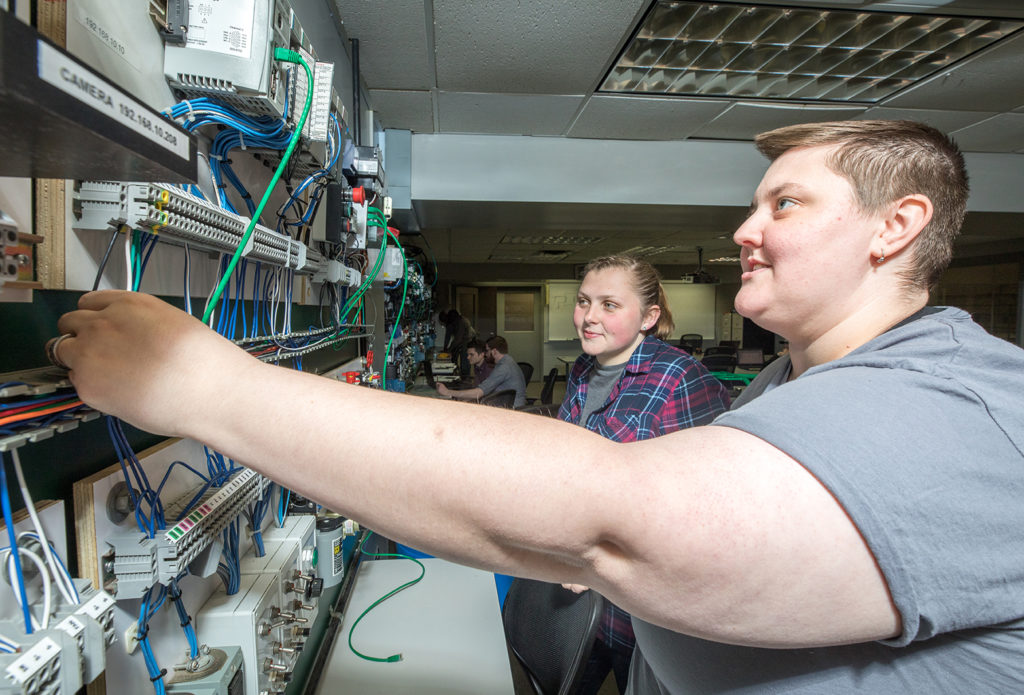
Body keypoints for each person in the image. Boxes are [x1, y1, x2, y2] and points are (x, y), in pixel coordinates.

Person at [53, 120, 1024, 693]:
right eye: (753, 204)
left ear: (897, 228)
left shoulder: (951, 405)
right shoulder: (793, 382)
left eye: (786, 205)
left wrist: (205, 386)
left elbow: (614, 524)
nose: (743, 228)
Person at [559, 255, 729, 693]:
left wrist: (603, 560)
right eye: (583, 301)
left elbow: (700, 511)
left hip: (640, 612)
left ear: (649, 317)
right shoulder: (583, 368)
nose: (589, 317)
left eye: (609, 305)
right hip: (577, 593)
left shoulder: (679, 377)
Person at [437, 335, 526, 408]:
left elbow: (479, 393)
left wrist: (447, 392)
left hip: (510, 409)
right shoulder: (508, 361)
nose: (486, 354)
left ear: (494, 351)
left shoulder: (503, 368)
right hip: (505, 404)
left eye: (487, 351)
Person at [440, 309, 474, 376]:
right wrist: (445, 348)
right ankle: (458, 373)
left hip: (468, 342)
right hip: (462, 341)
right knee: (454, 356)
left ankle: (465, 378)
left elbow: (458, 339)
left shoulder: (462, 322)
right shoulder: (453, 322)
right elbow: (448, 336)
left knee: (464, 361)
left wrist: (449, 349)